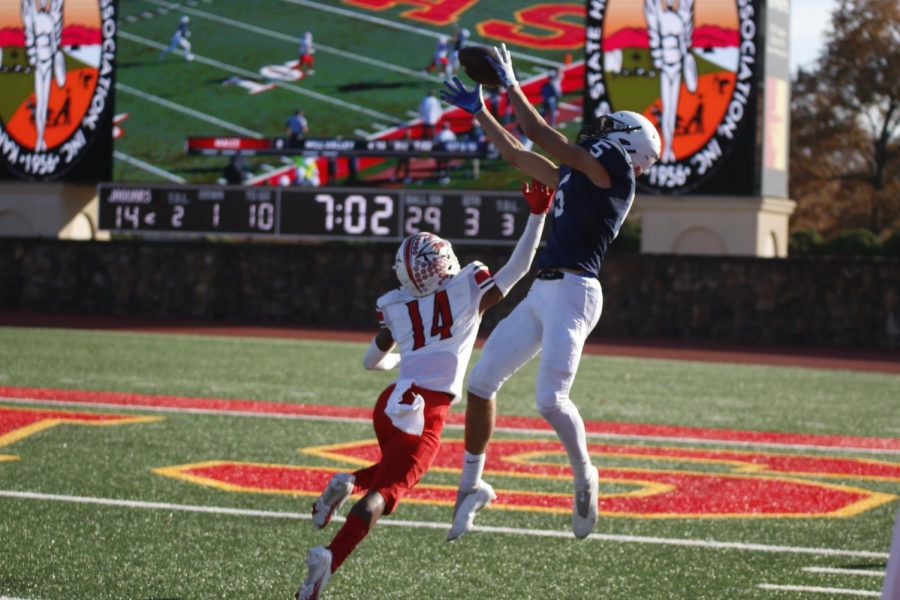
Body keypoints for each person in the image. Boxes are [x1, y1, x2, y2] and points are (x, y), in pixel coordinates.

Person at [440, 44, 661, 541]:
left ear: (628, 144)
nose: (599, 135)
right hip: (544, 290)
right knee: (479, 384)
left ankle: (585, 475)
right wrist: (481, 113)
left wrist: (512, 84)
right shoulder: (580, 176)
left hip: (576, 292)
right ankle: (470, 487)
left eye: (610, 131)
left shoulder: (615, 172)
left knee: (549, 399)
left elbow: (544, 135)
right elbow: (520, 154)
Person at [295, 180, 554, 600]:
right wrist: (537, 215)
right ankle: (330, 557)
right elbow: (519, 268)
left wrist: (401, 360)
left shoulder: (396, 305)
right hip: (426, 410)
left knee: (392, 473)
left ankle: (345, 482)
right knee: (389, 491)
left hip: (391, 403)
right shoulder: (468, 285)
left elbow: (370, 361)